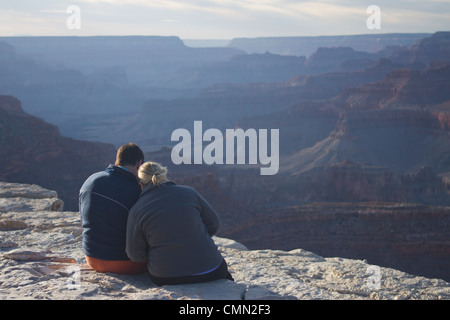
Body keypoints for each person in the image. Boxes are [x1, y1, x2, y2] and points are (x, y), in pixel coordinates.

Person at [126, 161, 234, 286]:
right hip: (211, 270)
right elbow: (214, 224)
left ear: (141, 185)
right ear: (164, 176)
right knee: (227, 278)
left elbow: (135, 255)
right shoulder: (189, 192)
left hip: (167, 277)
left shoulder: (136, 210)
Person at [79, 142, 147, 274]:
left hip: (91, 258)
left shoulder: (91, 180)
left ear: (118, 160)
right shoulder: (136, 191)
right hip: (123, 263)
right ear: (139, 164)